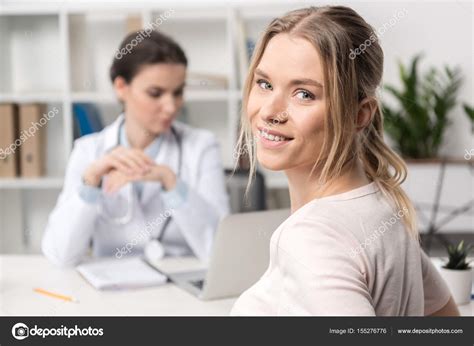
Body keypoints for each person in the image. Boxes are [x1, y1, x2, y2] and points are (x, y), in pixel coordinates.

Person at [231, 6, 459, 316]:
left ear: (359, 114)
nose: (271, 111)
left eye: (304, 94)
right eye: (265, 84)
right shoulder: (384, 207)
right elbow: (445, 315)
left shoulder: (312, 237)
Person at [42, 30, 229, 267]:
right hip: (112, 290)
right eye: (156, 93)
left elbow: (222, 251)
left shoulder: (202, 146)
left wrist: (170, 181)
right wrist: (91, 183)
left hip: (181, 289)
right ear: (121, 87)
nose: (171, 106)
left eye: (178, 92)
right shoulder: (88, 151)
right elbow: (60, 255)